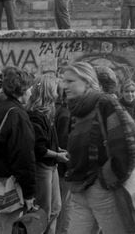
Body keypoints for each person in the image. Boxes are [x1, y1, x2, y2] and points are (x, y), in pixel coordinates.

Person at [61, 62, 135, 234]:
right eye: (64, 81)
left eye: (70, 81)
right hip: (79, 189)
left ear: (87, 81)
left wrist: (110, 176)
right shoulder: (76, 109)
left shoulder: (104, 103)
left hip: (103, 190)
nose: (65, 86)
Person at [0, 67, 35, 234]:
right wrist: (29, 193)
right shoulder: (17, 114)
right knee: (11, 227)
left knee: (2, 227)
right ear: (22, 90)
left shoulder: (1, 109)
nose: (32, 93)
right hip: (11, 186)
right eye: (30, 89)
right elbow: (23, 157)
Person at [27, 75, 68, 234]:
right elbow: (39, 149)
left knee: (55, 208)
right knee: (45, 211)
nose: (59, 92)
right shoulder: (36, 115)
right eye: (56, 89)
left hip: (50, 165)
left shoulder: (47, 112)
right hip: (43, 167)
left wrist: (58, 150)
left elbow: (46, 142)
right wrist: (58, 155)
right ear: (49, 91)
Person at [55, 84, 71, 234]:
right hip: (65, 169)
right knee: (66, 206)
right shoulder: (66, 114)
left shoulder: (63, 111)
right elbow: (63, 143)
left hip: (63, 168)